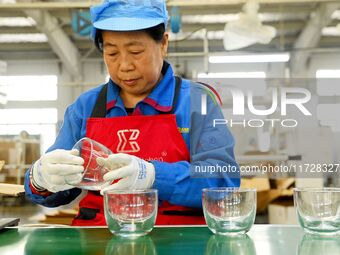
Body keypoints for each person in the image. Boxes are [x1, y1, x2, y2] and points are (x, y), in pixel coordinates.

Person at [24, 0, 240, 226]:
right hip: (98, 237)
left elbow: (223, 181)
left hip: (179, 235)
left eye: (136, 51)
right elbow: (55, 188)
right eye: (112, 53)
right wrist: (40, 179)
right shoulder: (85, 107)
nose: (124, 65)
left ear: (163, 43)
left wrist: (152, 176)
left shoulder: (197, 102)